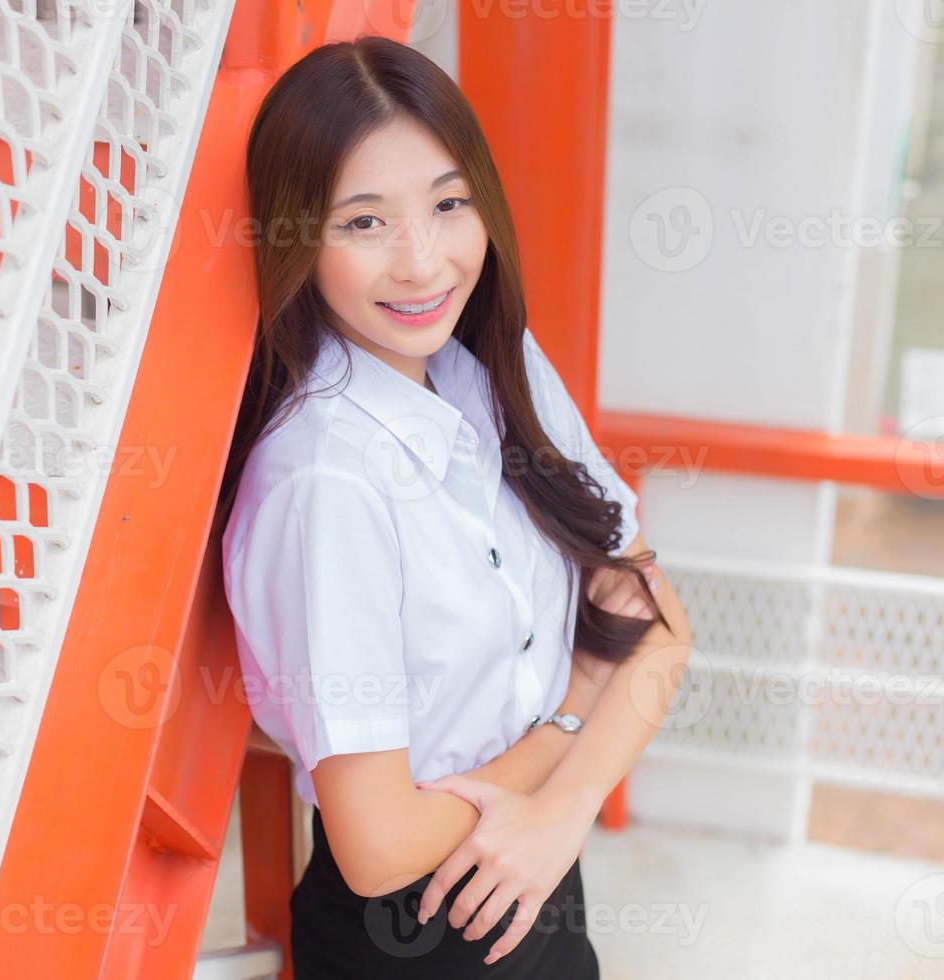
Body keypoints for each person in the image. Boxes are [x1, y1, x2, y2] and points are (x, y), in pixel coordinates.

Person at [215, 36, 693, 978]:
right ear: (295, 237)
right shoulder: (325, 482)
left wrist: (560, 812)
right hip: (411, 932)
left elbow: (665, 629)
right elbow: (380, 843)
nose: (422, 261)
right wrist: (568, 715)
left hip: (541, 868)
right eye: (362, 223)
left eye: (447, 204)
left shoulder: (495, 371)